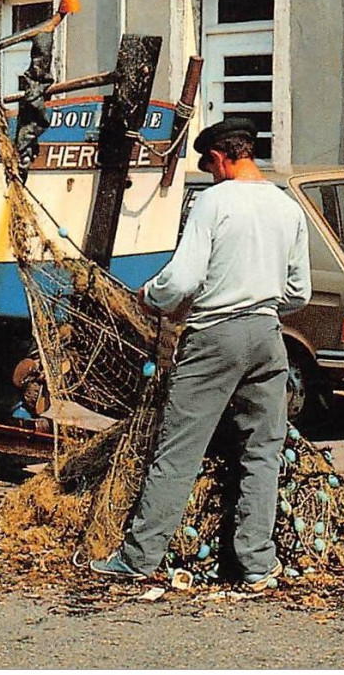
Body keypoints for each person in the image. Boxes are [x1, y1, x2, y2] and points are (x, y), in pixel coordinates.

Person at [91, 117, 311, 591]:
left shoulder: (214, 203)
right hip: (268, 334)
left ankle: (138, 558)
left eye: (209, 167)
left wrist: (152, 295)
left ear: (218, 159)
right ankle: (255, 563)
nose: (210, 175)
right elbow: (300, 291)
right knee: (263, 450)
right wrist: (262, 300)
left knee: (179, 450)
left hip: (215, 335)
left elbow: (184, 279)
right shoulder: (287, 206)